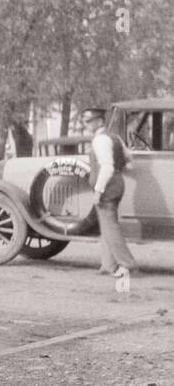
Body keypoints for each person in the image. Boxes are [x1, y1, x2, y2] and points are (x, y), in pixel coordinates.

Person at [81, 107, 136, 280]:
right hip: (117, 184)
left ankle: (127, 264)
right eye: (85, 121)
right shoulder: (115, 137)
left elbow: (107, 166)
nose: (86, 124)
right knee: (106, 226)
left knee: (111, 227)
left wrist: (98, 190)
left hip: (108, 187)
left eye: (88, 121)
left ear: (99, 121)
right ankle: (108, 264)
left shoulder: (100, 140)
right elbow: (128, 158)